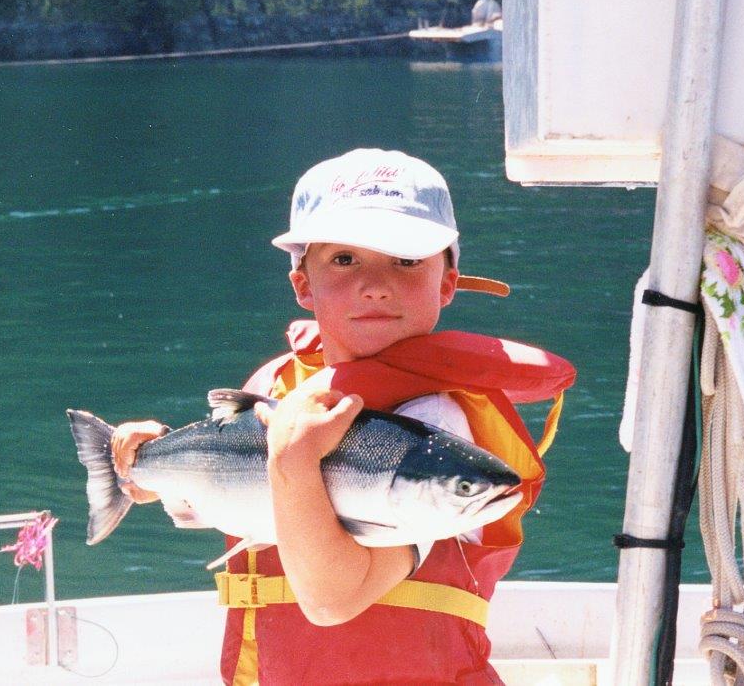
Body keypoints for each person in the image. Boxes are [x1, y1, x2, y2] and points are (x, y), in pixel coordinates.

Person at [111, 149, 575, 685]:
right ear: (302, 284)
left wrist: (294, 457)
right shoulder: (280, 391)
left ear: (447, 282)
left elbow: (334, 601)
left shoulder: (437, 427)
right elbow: (229, 489)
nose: (376, 283)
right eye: (344, 259)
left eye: (407, 261)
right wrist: (147, 467)